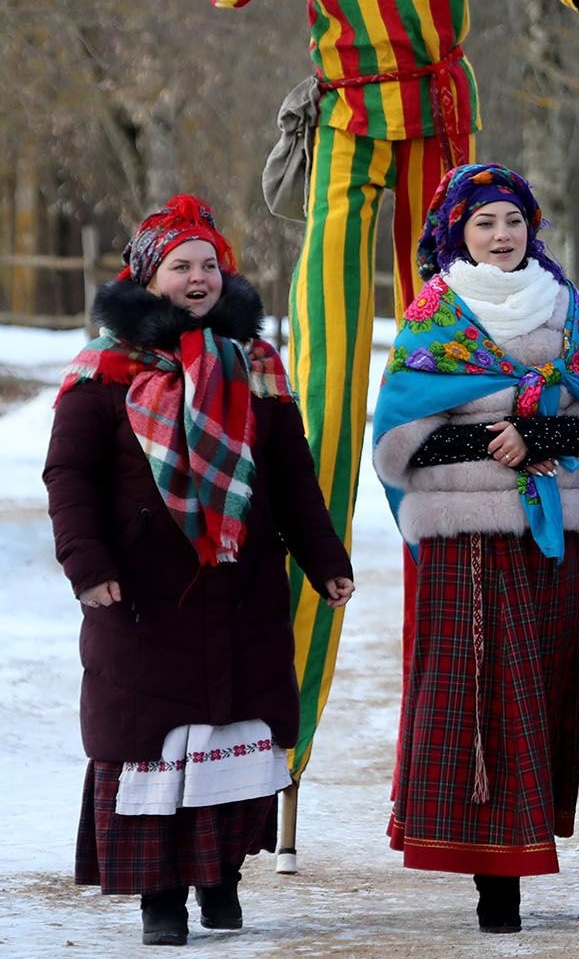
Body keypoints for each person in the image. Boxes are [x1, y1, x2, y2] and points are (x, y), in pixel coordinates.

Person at [205, 0, 579, 781]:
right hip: (349, 126)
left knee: (449, 327)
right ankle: (295, 625)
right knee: (332, 345)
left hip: (436, 124)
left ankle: (457, 517)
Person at [45, 195, 355, 946]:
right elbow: (69, 476)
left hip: (239, 588)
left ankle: (220, 878)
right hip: (143, 595)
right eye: (180, 265)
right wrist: (87, 565)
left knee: (228, 739)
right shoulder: (103, 370)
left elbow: (290, 475)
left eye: (208, 264)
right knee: (154, 742)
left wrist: (323, 558)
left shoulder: (257, 366)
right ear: (149, 278)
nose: (196, 277)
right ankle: (160, 897)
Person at [370, 164, 579, 934]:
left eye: (513, 220)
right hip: (463, 537)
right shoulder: (434, 316)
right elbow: (396, 441)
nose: (502, 234)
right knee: (477, 692)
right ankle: (492, 878)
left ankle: (521, 848)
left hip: (544, 539)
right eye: (484, 222)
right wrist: (498, 442)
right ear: (459, 233)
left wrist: (542, 433)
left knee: (536, 684)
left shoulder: (570, 312)